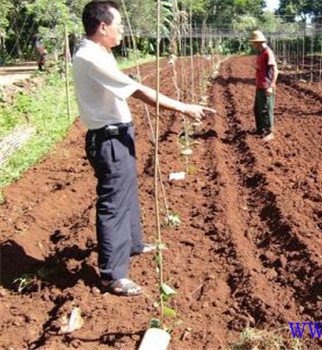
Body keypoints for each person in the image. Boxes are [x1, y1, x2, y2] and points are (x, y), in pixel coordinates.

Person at [72, 0, 215, 296]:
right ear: (102, 27)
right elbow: (137, 90)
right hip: (108, 139)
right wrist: (184, 108)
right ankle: (113, 275)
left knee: (128, 192)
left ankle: (135, 244)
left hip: (118, 135)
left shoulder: (101, 52)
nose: (122, 30)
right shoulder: (90, 56)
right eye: (119, 25)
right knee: (113, 203)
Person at [250, 30, 278, 142]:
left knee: (266, 109)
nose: (253, 45)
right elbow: (263, 67)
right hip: (260, 85)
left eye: (254, 42)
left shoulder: (267, 52)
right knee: (257, 109)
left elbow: (275, 71)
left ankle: (269, 132)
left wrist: (271, 86)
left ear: (258, 42)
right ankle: (260, 130)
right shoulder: (260, 52)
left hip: (266, 86)